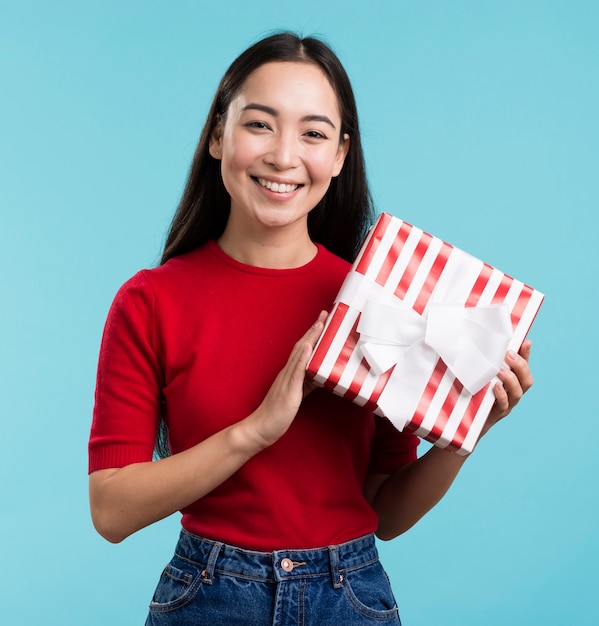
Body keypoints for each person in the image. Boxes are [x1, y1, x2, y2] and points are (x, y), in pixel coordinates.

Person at [88, 32, 534, 625]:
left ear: (340, 155)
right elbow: (111, 511)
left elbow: (385, 511)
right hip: (209, 598)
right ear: (218, 135)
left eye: (314, 133)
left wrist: (463, 434)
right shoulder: (149, 302)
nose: (283, 155)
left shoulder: (380, 303)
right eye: (259, 125)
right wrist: (255, 431)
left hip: (349, 598)